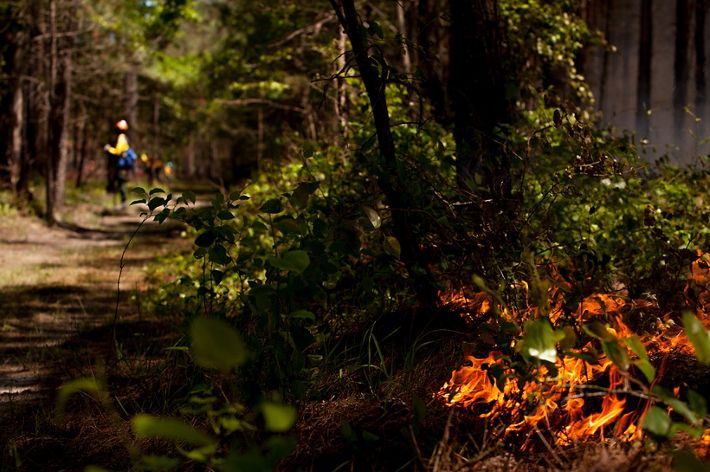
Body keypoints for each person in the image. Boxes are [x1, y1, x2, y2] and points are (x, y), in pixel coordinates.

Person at [104, 119, 136, 207]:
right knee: (119, 182)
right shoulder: (124, 137)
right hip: (122, 165)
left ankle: (123, 202)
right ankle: (122, 202)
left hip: (121, 165)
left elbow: (118, 151)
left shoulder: (121, 137)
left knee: (120, 182)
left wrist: (109, 149)